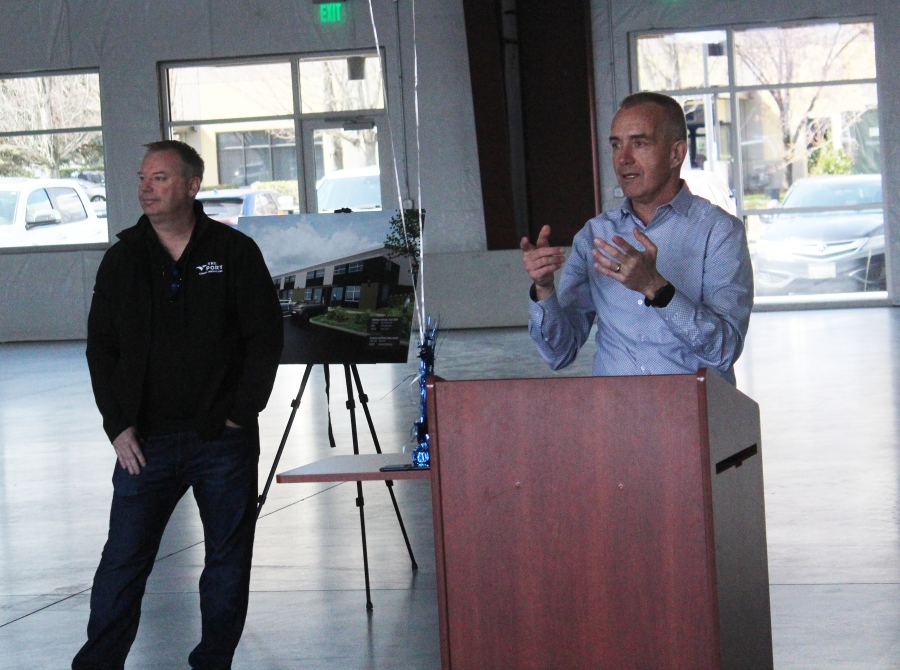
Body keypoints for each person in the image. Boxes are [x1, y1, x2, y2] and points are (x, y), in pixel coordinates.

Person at [73, 140, 283, 669]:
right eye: (142, 177)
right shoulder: (122, 260)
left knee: (227, 565)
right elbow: (102, 347)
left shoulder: (234, 253)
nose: (146, 187)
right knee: (122, 563)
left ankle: (212, 663)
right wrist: (117, 425)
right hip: (143, 443)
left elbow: (265, 338)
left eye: (160, 178)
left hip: (222, 440)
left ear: (192, 185)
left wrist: (240, 414)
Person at [521, 92, 752, 385]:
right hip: (615, 416)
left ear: (676, 154)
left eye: (639, 143)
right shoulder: (595, 236)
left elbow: (724, 350)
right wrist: (543, 289)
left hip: (689, 415)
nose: (623, 158)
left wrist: (654, 287)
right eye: (616, 145)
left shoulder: (719, 233)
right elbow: (559, 353)